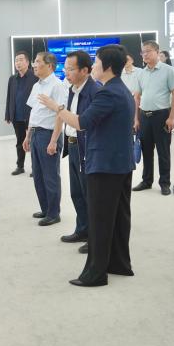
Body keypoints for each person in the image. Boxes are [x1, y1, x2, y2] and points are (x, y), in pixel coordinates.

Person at [39, 44, 135, 287]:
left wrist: (56, 107)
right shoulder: (120, 89)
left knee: (100, 219)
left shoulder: (107, 93)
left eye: (97, 62)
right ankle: (118, 263)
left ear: (108, 66)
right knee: (118, 217)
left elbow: (81, 123)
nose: (94, 66)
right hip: (119, 163)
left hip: (105, 165)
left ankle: (96, 273)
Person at [58, 51, 99, 254]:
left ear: (84, 70)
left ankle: (94, 238)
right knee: (76, 193)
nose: (66, 72)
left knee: (89, 194)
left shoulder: (94, 91)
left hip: (86, 148)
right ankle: (82, 230)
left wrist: (55, 108)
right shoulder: (72, 89)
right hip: (73, 145)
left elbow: (88, 123)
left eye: (70, 69)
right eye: (65, 68)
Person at [23, 52, 68, 226]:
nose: (34, 65)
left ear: (49, 66)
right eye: (34, 61)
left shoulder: (58, 86)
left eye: (37, 61)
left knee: (50, 176)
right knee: (38, 175)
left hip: (49, 134)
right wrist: (28, 135)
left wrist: (54, 140)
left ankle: (54, 213)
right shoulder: (37, 85)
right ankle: (45, 208)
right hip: (36, 133)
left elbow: (60, 114)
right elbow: (34, 112)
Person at [132, 40, 174, 196]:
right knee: (146, 151)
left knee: (163, 151)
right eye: (143, 52)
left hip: (162, 116)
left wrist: (171, 117)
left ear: (157, 52)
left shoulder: (167, 70)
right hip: (144, 116)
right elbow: (137, 97)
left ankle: (165, 183)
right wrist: (136, 119)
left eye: (148, 51)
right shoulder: (141, 73)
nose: (144, 54)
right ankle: (146, 181)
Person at [5, 51, 38, 175]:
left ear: (27, 62)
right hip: (17, 116)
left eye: (20, 60)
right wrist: (8, 114)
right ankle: (20, 166)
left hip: (31, 116)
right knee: (20, 142)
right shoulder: (12, 79)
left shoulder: (35, 77)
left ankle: (35, 168)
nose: (18, 63)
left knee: (33, 142)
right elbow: (9, 97)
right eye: (16, 60)